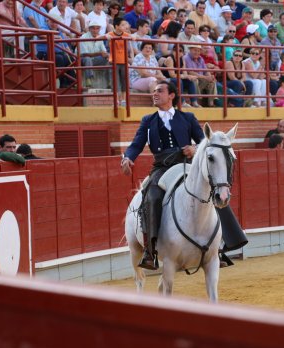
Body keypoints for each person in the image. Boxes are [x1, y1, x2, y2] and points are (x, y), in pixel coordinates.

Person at [121, 81, 204, 270]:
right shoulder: (148, 120)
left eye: (160, 91)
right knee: (152, 197)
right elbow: (137, 144)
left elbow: (204, 141)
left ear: (172, 95)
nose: (154, 94)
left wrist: (195, 148)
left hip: (186, 165)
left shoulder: (188, 118)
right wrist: (127, 158)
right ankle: (150, 252)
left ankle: (223, 244)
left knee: (211, 189)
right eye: (153, 92)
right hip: (162, 167)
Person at [80, 20, 109, 87]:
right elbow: (84, 54)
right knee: (87, 59)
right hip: (82, 59)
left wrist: (107, 55)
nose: (95, 30)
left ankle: (110, 81)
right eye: (93, 28)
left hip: (94, 59)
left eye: (97, 28)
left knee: (109, 59)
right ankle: (88, 79)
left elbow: (104, 51)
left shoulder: (100, 37)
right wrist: (100, 53)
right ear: (89, 29)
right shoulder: (83, 37)